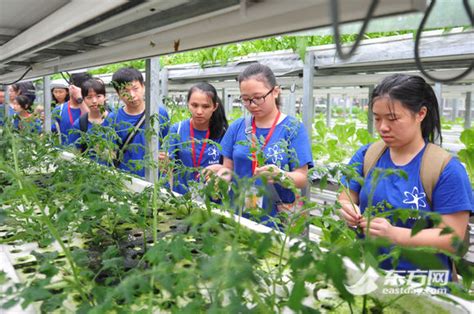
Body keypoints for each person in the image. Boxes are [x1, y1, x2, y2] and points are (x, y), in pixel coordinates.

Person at [338, 74, 473, 279]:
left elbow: (452, 239)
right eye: (377, 118)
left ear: (420, 114)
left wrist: (395, 235)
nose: (383, 127)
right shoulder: (367, 155)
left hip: (423, 287)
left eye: (393, 118)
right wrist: (348, 210)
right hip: (370, 277)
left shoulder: (445, 169)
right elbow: (346, 196)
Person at [217, 63, 313, 227]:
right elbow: (228, 167)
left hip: (274, 220)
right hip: (237, 215)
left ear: (275, 91)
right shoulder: (237, 127)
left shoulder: (292, 129)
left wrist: (281, 175)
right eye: (246, 99)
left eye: (258, 97)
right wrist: (220, 178)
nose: (252, 105)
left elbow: (302, 178)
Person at [167, 82, 228, 195]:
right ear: (188, 104)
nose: (199, 112)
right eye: (194, 105)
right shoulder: (177, 130)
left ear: (214, 107)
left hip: (212, 200)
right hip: (181, 198)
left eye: (205, 106)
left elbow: (230, 168)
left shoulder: (223, 133)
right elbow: (168, 163)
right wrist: (163, 161)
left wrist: (220, 168)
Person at [109, 67, 170, 177]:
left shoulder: (159, 113)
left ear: (143, 86)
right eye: (125, 91)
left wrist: (165, 157)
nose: (132, 95)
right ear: (118, 93)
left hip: (155, 179)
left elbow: (167, 143)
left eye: (135, 88)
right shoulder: (113, 118)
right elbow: (108, 151)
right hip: (126, 180)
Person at [69, 78, 114, 165]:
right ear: (83, 99)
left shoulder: (115, 119)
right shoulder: (80, 124)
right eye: (89, 97)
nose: (94, 101)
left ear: (105, 97)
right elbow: (73, 155)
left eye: (98, 96)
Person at [51, 73, 91, 145]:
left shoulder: (91, 108)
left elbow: (93, 124)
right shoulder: (59, 110)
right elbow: (51, 134)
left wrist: (80, 99)